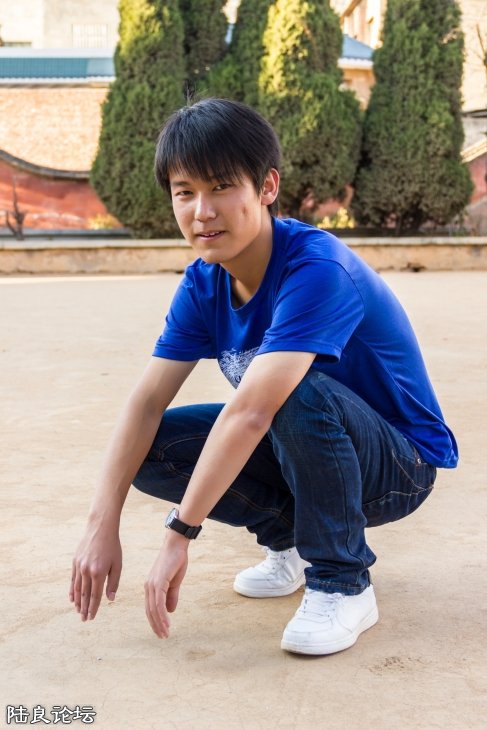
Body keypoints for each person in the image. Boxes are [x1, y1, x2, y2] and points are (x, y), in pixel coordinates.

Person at [70, 98, 457, 656]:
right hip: (304, 450)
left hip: (398, 464)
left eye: (221, 187)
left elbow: (253, 411)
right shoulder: (203, 283)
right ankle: (291, 544)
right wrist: (100, 524)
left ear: (267, 187)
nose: (202, 211)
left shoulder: (317, 268)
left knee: (290, 392)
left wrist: (180, 532)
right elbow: (145, 404)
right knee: (152, 448)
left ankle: (343, 581)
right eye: (184, 192)